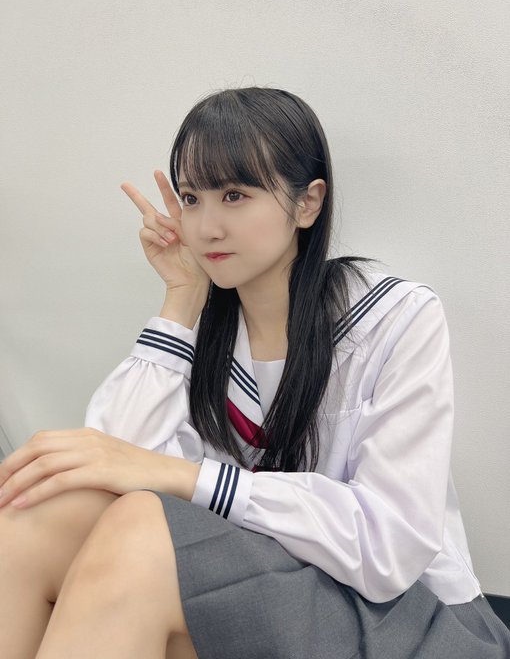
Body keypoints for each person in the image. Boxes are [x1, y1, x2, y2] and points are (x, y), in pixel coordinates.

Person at [0, 87, 508, 659]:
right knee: (38, 511)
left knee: (143, 529)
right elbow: (111, 465)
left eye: (234, 195)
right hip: (262, 584)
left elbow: (389, 546)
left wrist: (189, 478)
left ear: (307, 203)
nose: (206, 227)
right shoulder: (208, 331)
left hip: (403, 617)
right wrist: (180, 298)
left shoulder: (393, 317)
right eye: (191, 199)